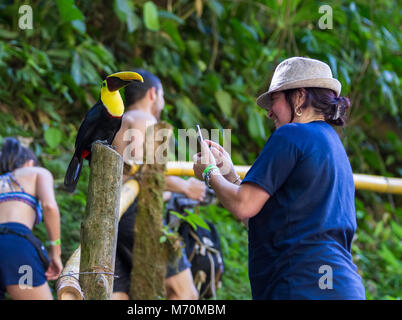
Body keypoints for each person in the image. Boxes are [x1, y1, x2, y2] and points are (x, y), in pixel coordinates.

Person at [193, 57, 366, 299]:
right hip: (343, 287)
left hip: (302, 285)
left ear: (299, 97)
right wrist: (230, 176)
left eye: (274, 99)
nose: (269, 113)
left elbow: (244, 206)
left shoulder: (291, 135)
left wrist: (210, 173)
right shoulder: (332, 145)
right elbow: (263, 221)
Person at [112, 69, 202, 300]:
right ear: (153, 94)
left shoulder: (117, 121)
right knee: (184, 294)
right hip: (137, 215)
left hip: (112, 218)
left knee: (122, 296)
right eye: (162, 96)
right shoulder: (145, 120)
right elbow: (148, 172)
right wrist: (185, 187)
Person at [0, 137, 63, 300]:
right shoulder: (37, 172)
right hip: (15, 249)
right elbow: (49, 207)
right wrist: (55, 252)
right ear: (30, 162)